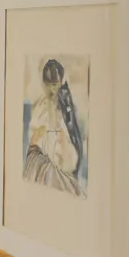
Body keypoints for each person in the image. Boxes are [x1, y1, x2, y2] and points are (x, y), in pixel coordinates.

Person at [24, 58, 86, 196]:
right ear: (44, 85)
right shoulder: (40, 108)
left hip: (61, 165)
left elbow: (73, 150)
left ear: (60, 83)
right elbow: (33, 138)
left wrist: (64, 145)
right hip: (43, 164)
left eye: (54, 84)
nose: (52, 89)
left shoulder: (66, 109)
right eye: (48, 85)